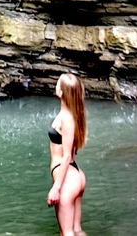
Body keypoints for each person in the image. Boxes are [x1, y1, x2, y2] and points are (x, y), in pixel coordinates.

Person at [47, 72, 87, 236]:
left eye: (57, 84)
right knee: (76, 230)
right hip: (73, 175)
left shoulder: (67, 119)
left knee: (67, 233)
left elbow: (67, 156)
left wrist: (56, 188)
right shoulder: (71, 114)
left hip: (67, 180)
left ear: (61, 92)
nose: (55, 86)